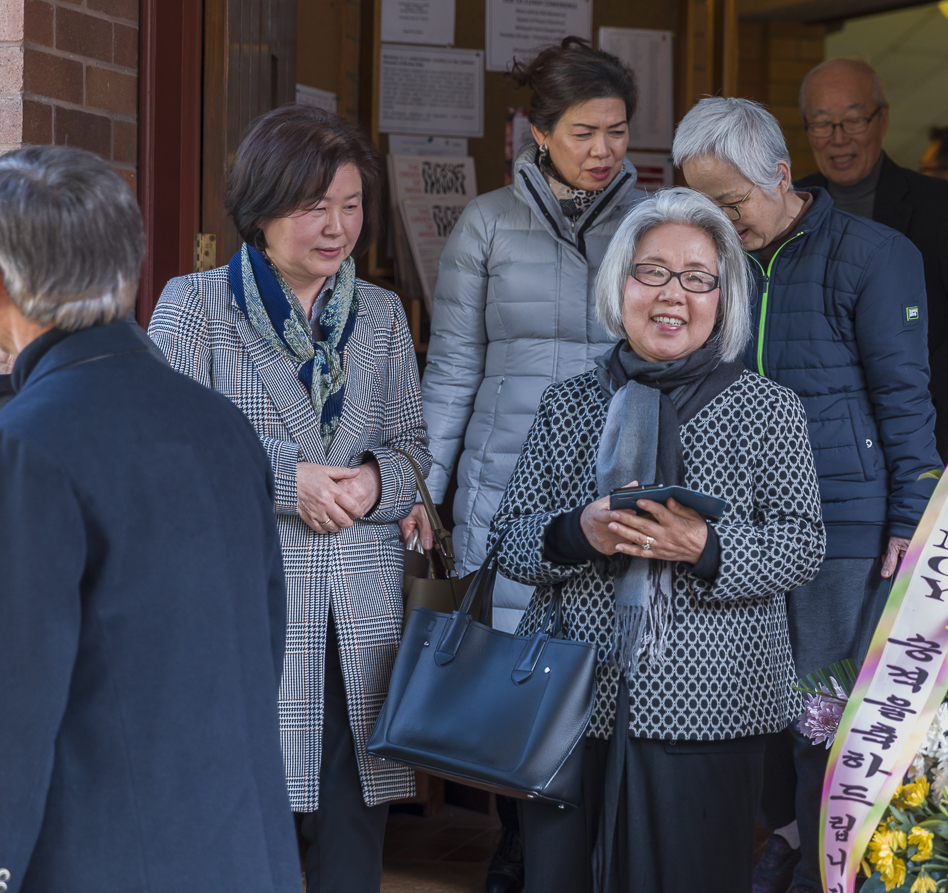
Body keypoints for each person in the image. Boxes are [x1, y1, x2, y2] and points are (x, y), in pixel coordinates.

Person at [488, 187, 825, 893]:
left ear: (723, 296)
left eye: (698, 277)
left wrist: (705, 545)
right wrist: (576, 531)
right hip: (572, 706)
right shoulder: (568, 404)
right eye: (653, 272)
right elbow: (511, 540)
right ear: (622, 284)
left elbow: (801, 543)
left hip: (716, 707)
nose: (674, 294)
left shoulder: (769, 409)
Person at [0, 146, 301, 890]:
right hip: (238, 849)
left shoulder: (27, 446)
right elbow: (263, 647)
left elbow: (14, 700)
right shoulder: (221, 427)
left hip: (95, 859)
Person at [149, 105, 429, 893]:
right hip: (249, 600)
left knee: (353, 816)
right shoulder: (195, 305)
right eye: (315, 207)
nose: (338, 227)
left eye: (350, 205)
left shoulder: (379, 314)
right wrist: (285, 479)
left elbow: (414, 446)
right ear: (261, 210)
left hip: (362, 606)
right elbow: (164, 448)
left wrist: (379, 481)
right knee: (245, 810)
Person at [673, 96, 941, 893]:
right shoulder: (712, 261)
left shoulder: (874, 253)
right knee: (736, 709)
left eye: (731, 204)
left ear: (780, 175)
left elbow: (905, 392)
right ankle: (787, 839)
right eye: (703, 206)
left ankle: (817, 863)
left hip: (842, 521)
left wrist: (911, 511)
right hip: (727, 522)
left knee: (819, 713)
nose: (720, 223)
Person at [403, 36, 645, 892]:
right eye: (583, 132)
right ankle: (518, 846)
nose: (602, 150)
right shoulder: (486, 225)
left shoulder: (648, 225)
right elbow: (454, 369)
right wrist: (423, 486)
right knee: (512, 671)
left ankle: (599, 852)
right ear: (537, 132)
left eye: (616, 131)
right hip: (507, 487)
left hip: (615, 486)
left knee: (611, 671)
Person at [794, 58, 948, 460]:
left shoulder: (936, 205)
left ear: (882, 119)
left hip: (915, 432)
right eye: (821, 124)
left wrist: (909, 397)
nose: (838, 138)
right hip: (809, 436)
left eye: (853, 120)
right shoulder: (787, 206)